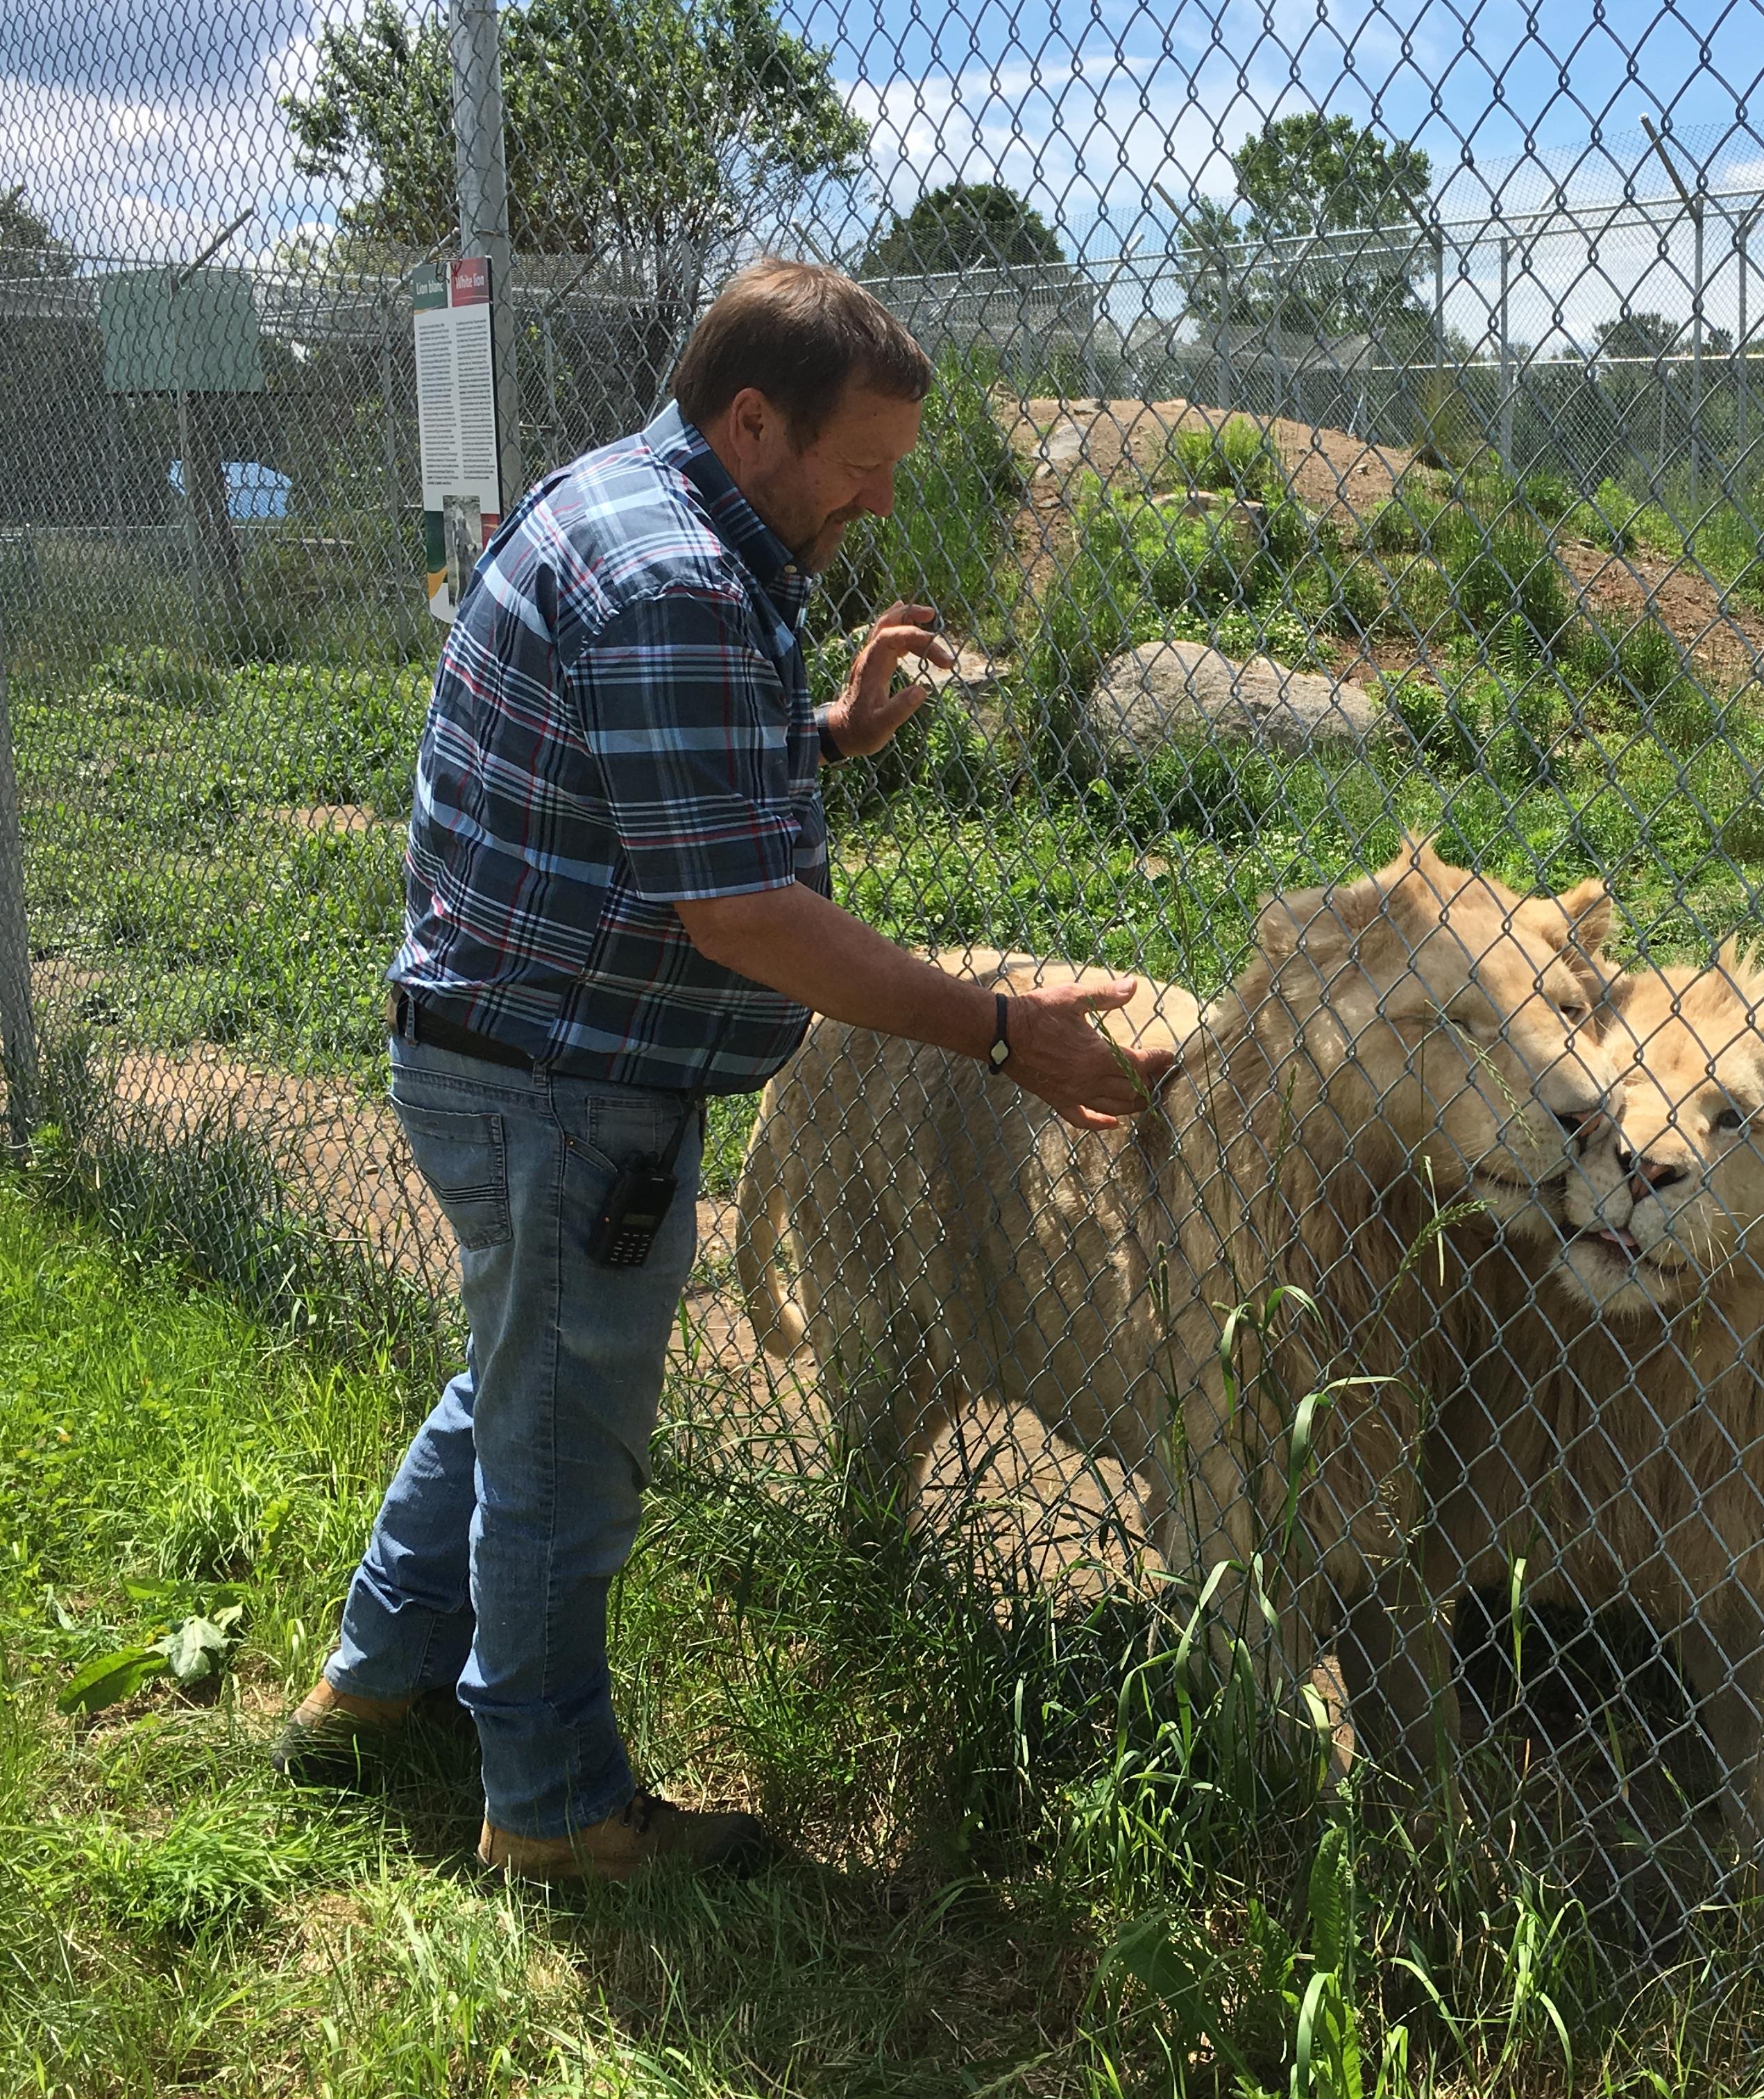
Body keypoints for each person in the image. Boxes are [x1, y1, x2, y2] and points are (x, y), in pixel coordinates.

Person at [274, 259, 1174, 1885]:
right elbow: (749, 916)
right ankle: (552, 1811)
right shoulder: (679, 575)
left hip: (500, 1047)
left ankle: (372, 1687)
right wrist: (993, 1027)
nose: (884, 501)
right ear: (752, 420)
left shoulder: (632, 507)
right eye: (862, 465)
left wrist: (825, 733)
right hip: (562, 1085)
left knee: (518, 1387)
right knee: (564, 1448)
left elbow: (649, 771)